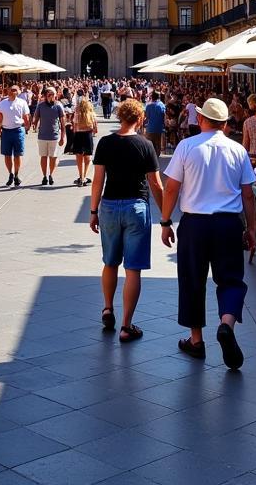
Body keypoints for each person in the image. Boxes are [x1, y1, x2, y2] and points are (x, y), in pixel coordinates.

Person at [159, 97, 256, 371]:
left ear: (201, 119)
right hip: (228, 224)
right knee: (231, 280)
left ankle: (196, 340)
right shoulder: (237, 150)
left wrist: (166, 221)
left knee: (192, 280)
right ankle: (226, 324)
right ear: (225, 124)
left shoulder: (187, 146)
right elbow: (248, 195)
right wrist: (251, 228)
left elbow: (171, 188)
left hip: (195, 224)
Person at [89, 98, 164, 343]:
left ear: (120, 116)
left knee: (110, 262)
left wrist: (93, 211)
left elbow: (98, 181)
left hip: (109, 206)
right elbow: (155, 184)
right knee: (133, 269)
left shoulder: (106, 142)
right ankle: (126, 326)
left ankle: (108, 308)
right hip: (136, 207)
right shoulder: (145, 145)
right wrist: (165, 217)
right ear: (140, 118)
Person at [0, 84, 30, 188]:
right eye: (11, 90)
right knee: (7, 154)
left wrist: (27, 126)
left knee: (17, 154)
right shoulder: (2, 103)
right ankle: (10, 173)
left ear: (19, 92)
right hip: (6, 130)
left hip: (18, 130)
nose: (12, 92)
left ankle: (16, 174)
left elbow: (26, 116)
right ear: (8, 91)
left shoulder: (22, 102)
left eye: (15, 90)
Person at [34, 87, 66, 187]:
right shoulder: (40, 105)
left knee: (53, 157)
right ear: (45, 95)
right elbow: (36, 117)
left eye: (52, 93)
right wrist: (34, 124)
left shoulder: (58, 106)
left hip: (54, 136)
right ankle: (44, 176)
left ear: (55, 95)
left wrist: (62, 137)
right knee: (43, 156)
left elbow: (62, 122)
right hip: (42, 135)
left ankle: (51, 174)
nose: (50, 95)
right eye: (48, 93)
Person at [72, 96, 98, 186]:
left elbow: (74, 128)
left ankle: (81, 176)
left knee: (79, 157)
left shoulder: (77, 114)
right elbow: (95, 129)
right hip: (88, 135)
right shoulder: (91, 114)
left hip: (78, 135)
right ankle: (85, 176)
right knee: (87, 157)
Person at [144, 91, 167, 156]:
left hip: (150, 128)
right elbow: (164, 116)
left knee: (150, 144)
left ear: (152, 97)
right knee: (158, 144)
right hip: (159, 128)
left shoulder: (149, 106)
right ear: (159, 97)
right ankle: (156, 158)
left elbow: (147, 117)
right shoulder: (162, 105)